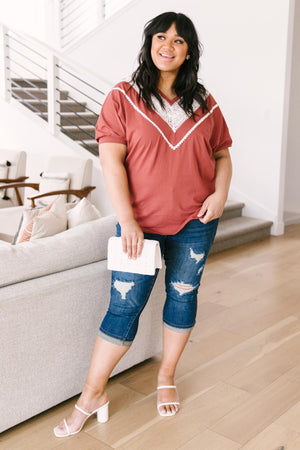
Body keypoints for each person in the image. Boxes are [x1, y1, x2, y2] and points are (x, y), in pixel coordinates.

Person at [54, 11, 232, 437]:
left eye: (178, 40)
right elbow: (111, 162)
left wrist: (220, 195)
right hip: (140, 225)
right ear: (149, 42)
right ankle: (92, 394)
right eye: (160, 37)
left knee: (182, 296)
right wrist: (128, 222)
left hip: (196, 221)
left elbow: (222, 154)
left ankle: (166, 375)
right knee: (123, 308)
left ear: (190, 51)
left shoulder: (205, 102)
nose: (167, 46)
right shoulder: (123, 96)